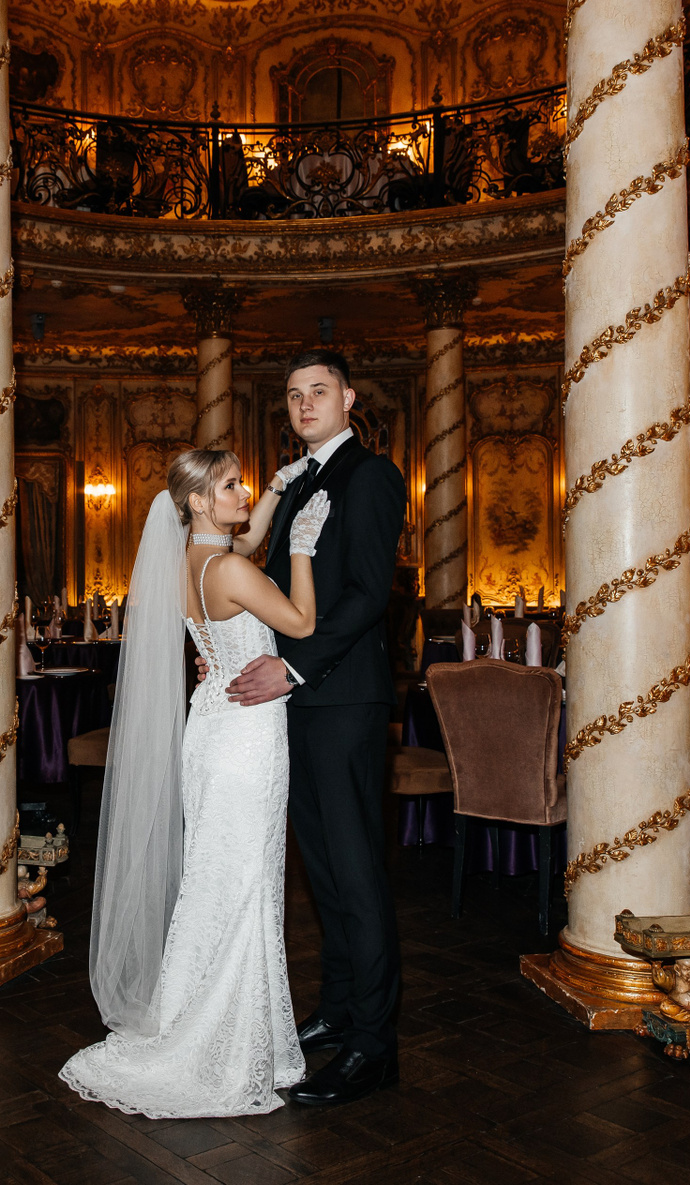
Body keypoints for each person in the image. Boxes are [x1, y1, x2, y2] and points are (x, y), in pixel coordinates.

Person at [61, 448, 331, 1118]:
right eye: (231, 486)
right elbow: (301, 623)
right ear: (201, 502)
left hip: (211, 725)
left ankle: (200, 1017)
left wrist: (277, 489)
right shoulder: (231, 568)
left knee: (215, 881)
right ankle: (224, 1045)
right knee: (244, 885)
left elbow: (244, 544)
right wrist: (302, 548)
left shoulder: (190, 562)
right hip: (248, 735)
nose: (244, 494)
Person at [227, 347, 408, 1107]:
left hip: (343, 700)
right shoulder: (297, 480)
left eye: (319, 391)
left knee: (357, 870)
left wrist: (295, 669)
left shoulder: (372, 476)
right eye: (294, 394)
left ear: (348, 399)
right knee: (323, 869)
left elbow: (368, 592)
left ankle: (375, 1043)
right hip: (294, 702)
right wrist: (235, 652)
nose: (304, 404)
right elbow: (273, 591)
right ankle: (338, 1008)